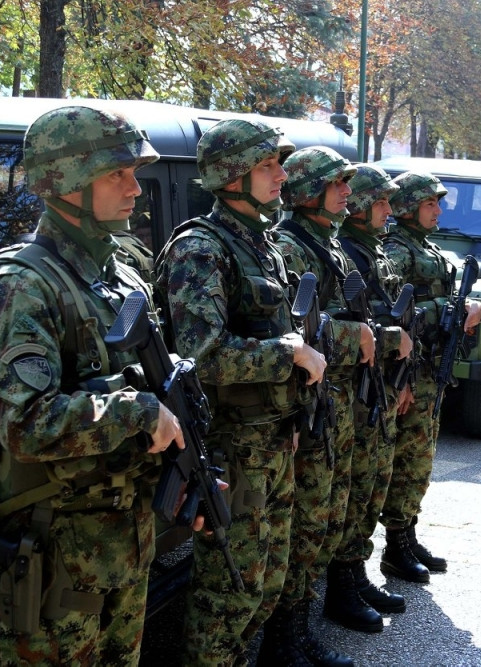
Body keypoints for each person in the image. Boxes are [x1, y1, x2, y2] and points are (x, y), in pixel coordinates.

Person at [0, 106, 187, 665]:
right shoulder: (20, 287)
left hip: (122, 547)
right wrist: (137, 413)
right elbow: (26, 425)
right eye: (118, 174)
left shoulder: (118, 274)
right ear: (66, 182)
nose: (136, 188)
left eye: (134, 172)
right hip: (57, 560)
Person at [155, 118, 327, 666]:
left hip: (272, 440)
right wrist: (291, 354)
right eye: (267, 165)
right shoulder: (201, 249)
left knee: (266, 583)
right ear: (232, 175)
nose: (281, 175)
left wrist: (293, 419)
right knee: (228, 592)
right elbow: (202, 355)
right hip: (234, 446)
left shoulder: (261, 244)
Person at [263, 146, 374, 662]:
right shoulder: (291, 244)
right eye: (337, 184)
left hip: (330, 400)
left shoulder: (325, 243)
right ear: (311, 192)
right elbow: (301, 329)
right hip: (303, 405)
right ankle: (286, 639)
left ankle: (302, 629)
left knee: (323, 516)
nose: (347, 192)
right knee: (304, 524)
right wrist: (362, 336)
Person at [380, 172, 481, 582]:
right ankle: (395, 543)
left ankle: (406, 534)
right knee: (407, 458)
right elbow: (396, 315)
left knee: (420, 459)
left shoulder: (421, 245)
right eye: (430, 204)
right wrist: (454, 307)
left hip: (430, 368)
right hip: (413, 368)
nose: (438, 210)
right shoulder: (396, 249)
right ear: (407, 207)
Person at [332, 164, 413, 619]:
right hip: (352, 391)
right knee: (352, 490)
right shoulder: (346, 250)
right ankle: (342, 584)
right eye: (380, 202)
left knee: (369, 486)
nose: (389, 210)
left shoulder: (367, 251)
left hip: (374, 387)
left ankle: (355, 574)